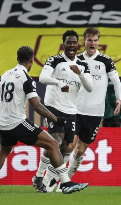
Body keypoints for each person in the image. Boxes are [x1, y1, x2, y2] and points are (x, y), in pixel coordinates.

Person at [0, 46, 88, 194]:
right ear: (31, 60)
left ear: (17, 59)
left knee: (4, 151)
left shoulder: (5, 75)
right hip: (16, 122)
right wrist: (56, 119)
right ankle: (66, 183)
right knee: (53, 144)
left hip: (1, 122)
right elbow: (37, 106)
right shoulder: (27, 79)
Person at [45, 27, 121, 192]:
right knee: (68, 146)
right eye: (89, 40)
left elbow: (116, 82)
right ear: (84, 42)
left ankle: (63, 184)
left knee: (80, 150)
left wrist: (119, 98)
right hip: (76, 110)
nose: (92, 43)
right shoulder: (76, 59)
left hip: (95, 112)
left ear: (98, 42)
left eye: (95, 40)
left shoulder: (106, 61)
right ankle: (49, 180)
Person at [31, 30, 93, 193]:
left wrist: (80, 74)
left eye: (74, 42)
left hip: (71, 109)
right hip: (54, 106)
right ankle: (39, 176)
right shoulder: (54, 60)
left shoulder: (83, 64)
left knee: (66, 146)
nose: (72, 45)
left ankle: (45, 180)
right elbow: (43, 78)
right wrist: (58, 83)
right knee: (56, 141)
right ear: (63, 43)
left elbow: (89, 87)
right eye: (68, 42)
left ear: (78, 44)